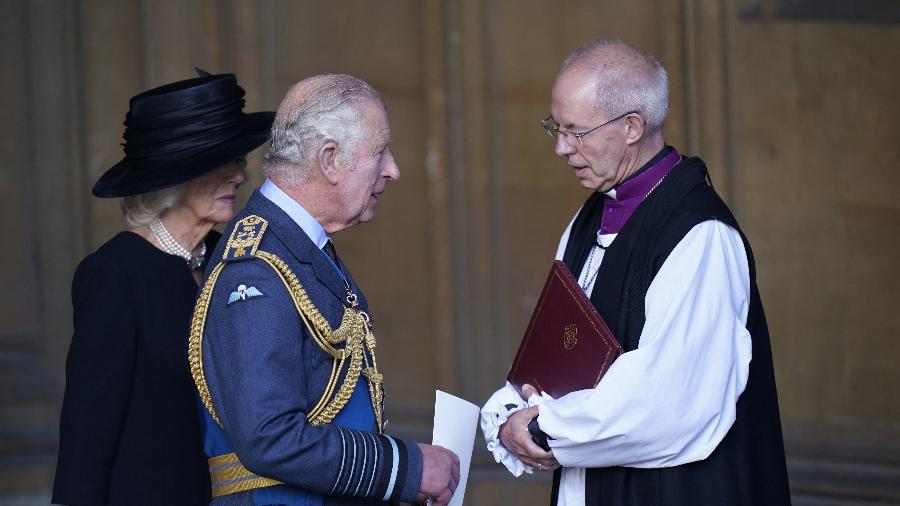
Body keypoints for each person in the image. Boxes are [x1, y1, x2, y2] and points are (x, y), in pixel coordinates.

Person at [480, 39, 791, 505]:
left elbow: (667, 402)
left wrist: (543, 428)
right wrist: (508, 414)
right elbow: (555, 353)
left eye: (576, 131)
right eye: (555, 128)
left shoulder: (699, 235)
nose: (561, 148)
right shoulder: (588, 219)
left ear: (631, 127)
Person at [189, 73, 460, 506]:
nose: (393, 169)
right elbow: (269, 437)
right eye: (379, 151)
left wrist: (391, 485)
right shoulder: (256, 268)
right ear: (330, 159)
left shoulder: (296, 249)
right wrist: (405, 469)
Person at [53, 71, 274, 505]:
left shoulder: (230, 260)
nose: (238, 176)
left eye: (239, 160)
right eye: (222, 162)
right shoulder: (115, 275)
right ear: (173, 177)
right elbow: (88, 430)